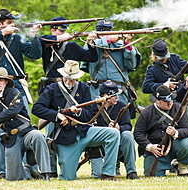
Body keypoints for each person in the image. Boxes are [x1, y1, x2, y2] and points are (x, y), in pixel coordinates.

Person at [0, 8, 42, 179]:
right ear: (0, 24)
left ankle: (26, 167)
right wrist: (2, 33)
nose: (12, 25)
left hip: (17, 87)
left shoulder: (18, 39)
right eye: (8, 23)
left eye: (12, 23)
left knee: (24, 126)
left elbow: (35, 54)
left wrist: (34, 35)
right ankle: (2, 170)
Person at [32, 60, 120, 181]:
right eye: (66, 78)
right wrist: (57, 115)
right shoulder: (52, 89)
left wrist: (78, 112)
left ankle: (108, 173)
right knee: (67, 178)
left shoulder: (84, 88)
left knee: (113, 133)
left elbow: (89, 115)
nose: (68, 81)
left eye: (72, 79)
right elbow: (37, 109)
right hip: (65, 136)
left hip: (84, 132)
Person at [38, 16, 98, 178]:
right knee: (50, 132)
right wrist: (57, 38)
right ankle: (49, 169)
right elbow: (35, 42)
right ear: (52, 30)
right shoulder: (45, 44)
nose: (64, 32)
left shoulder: (70, 46)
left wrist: (91, 43)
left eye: (65, 29)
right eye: (60, 29)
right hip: (52, 90)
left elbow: (91, 57)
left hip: (70, 89)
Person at [0, 67, 51, 181]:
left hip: (26, 132)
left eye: (0, 80)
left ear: (6, 81)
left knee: (38, 136)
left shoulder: (14, 93)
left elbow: (13, 111)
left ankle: (46, 173)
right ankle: (27, 170)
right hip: (11, 137)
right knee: (13, 178)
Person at [134, 85, 188, 177]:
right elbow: (138, 133)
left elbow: (186, 129)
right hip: (156, 149)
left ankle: (182, 168)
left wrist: (175, 133)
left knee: (186, 144)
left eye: (171, 99)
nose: (170, 103)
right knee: (153, 175)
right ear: (157, 100)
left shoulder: (178, 108)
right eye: (166, 101)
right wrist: (150, 147)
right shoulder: (147, 112)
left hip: (175, 146)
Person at [81, 19, 141, 106]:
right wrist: (107, 40)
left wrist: (127, 43)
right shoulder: (91, 44)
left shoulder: (121, 45)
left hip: (119, 92)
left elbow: (131, 65)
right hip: (97, 91)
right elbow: (86, 58)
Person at [91, 80, 140, 180]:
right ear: (105, 96)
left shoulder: (121, 105)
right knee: (98, 174)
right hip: (99, 146)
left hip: (117, 144)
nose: (117, 97)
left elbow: (128, 126)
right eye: (114, 95)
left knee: (128, 135)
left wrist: (119, 128)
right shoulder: (93, 107)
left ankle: (131, 171)